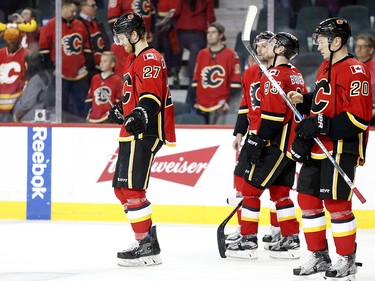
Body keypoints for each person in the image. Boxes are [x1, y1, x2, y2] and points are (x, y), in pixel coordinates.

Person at [288, 18, 372, 280]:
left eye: (322, 40)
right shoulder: (325, 66)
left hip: (340, 148)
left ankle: (346, 259)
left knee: (337, 204)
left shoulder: (356, 70)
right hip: (317, 147)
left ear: (336, 41)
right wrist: (305, 102)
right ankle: (318, 255)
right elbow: (324, 102)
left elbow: (358, 119)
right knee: (308, 201)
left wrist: (320, 125)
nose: (318, 45)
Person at [226, 32, 305, 260]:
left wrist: (257, 141)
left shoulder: (274, 75)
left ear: (280, 49)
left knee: (250, 190)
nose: (265, 47)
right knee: (281, 192)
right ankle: (290, 238)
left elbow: (272, 116)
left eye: (271, 44)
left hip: (275, 143)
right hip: (291, 144)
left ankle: (248, 240)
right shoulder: (295, 73)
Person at [109, 12, 176, 267]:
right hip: (131, 131)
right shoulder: (133, 58)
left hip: (144, 131)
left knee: (133, 189)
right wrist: (122, 109)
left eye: (123, 35)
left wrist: (140, 113)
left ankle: (145, 244)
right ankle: (145, 239)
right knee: (121, 189)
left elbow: (151, 97)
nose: (120, 40)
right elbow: (135, 95)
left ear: (135, 34)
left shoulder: (149, 57)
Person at [229, 30, 282, 249]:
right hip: (253, 136)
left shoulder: (279, 73)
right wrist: (239, 132)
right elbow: (245, 105)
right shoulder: (251, 72)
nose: (260, 49)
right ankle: (244, 228)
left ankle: (278, 228)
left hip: (274, 137)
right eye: (257, 46)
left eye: (264, 45)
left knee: (277, 188)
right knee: (241, 181)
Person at [39, 0, 91, 120]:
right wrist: (52, 69)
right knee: (61, 108)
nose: (74, 13)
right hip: (59, 75)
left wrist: (86, 67)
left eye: (75, 11)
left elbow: (87, 51)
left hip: (80, 74)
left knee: (82, 106)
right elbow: (44, 53)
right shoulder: (50, 25)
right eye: (72, 10)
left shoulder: (80, 25)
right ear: (63, 8)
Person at [190, 22, 241, 124]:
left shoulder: (231, 55)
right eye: (208, 32)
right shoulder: (201, 54)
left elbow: (236, 82)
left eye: (213, 32)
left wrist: (229, 102)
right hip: (201, 104)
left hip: (221, 104)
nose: (209, 35)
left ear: (221, 35)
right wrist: (193, 101)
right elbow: (196, 79)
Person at [0, 20, 35, 122]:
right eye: (8, 39)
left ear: (20, 38)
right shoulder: (0, 53)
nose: (11, 43)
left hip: (18, 101)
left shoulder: (28, 54)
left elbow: (30, 81)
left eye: (14, 40)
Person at [174, 0, 216, 83]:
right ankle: (192, 82)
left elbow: (177, 12)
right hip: (198, 32)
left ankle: (175, 71)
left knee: (176, 50)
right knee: (194, 59)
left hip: (182, 31)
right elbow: (210, 17)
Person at [13, 52, 54, 122]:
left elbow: (28, 103)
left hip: (32, 118)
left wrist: (17, 114)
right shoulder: (46, 75)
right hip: (44, 114)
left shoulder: (37, 79)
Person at [77, 0, 111, 82]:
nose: (96, 8)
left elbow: (106, 43)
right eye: (92, 6)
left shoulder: (98, 23)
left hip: (101, 68)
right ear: (84, 7)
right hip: (85, 70)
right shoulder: (77, 24)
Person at [85, 51, 122, 123]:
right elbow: (90, 98)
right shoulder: (95, 78)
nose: (101, 63)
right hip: (93, 117)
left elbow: (119, 101)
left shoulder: (117, 80)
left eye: (105, 61)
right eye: (101, 61)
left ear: (112, 64)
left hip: (107, 117)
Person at [354, 32, 375, 126]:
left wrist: (370, 114)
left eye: (362, 46)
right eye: (357, 46)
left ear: (371, 50)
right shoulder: (349, 65)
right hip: (352, 113)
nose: (358, 49)